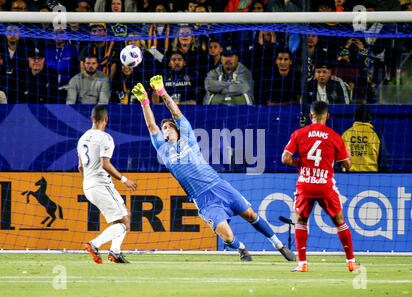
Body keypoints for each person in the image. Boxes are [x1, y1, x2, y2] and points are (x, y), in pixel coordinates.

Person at [131, 75, 296, 262]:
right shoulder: (163, 149)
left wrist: (162, 93)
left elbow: (176, 114)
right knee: (227, 237)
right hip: (203, 199)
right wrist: (145, 101)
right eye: (164, 129)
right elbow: (151, 126)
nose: (165, 129)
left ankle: (279, 245)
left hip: (218, 185)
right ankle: (241, 248)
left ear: (177, 129)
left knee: (251, 215)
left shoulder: (188, 139)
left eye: (169, 126)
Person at [281, 101, 360, 272]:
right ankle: (351, 262)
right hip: (325, 185)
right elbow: (347, 165)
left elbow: (285, 159)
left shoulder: (299, 133)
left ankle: (302, 264)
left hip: (305, 184)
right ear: (327, 116)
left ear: (310, 116)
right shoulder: (334, 136)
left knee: (301, 220)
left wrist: (300, 163)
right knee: (339, 221)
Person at [78, 105, 137, 264]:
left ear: (91, 119)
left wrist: (89, 182)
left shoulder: (82, 138)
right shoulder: (106, 138)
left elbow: (80, 166)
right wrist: (124, 179)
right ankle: (94, 244)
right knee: (125, 223)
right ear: (106, 120)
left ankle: (115, 252)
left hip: (88, 185)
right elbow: (105, 164)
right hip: (101, 184)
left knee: (123, 215)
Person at [341, 104, 389, 172]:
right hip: (371, 177)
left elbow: (338, 159)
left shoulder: (346, 135)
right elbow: (385, 160)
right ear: (370, 119)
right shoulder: (376, 135)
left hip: (349, 176)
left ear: (355, 118)